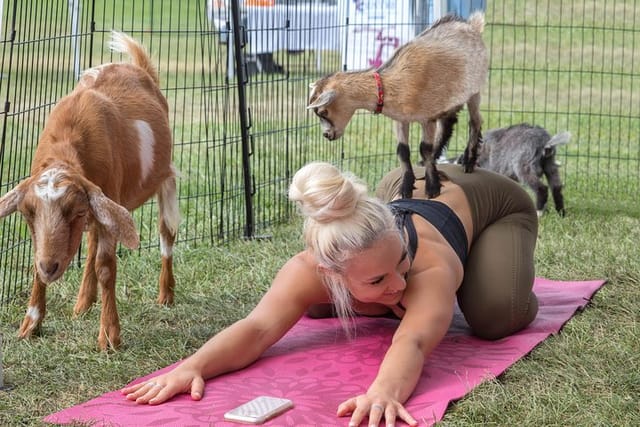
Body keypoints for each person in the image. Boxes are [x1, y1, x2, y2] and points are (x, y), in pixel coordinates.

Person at [122, 162, 539, 427]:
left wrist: (384, 392)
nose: (397, 282)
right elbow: (259, 326)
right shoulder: (311, 269)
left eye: (400, 263)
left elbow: (410, 340)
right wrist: (193, 367)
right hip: (404, 178)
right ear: (330, 273)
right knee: (322, 308)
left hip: (487, 197)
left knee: (494, 314)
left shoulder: (429, 266)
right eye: (378, 280)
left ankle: (490, 263)